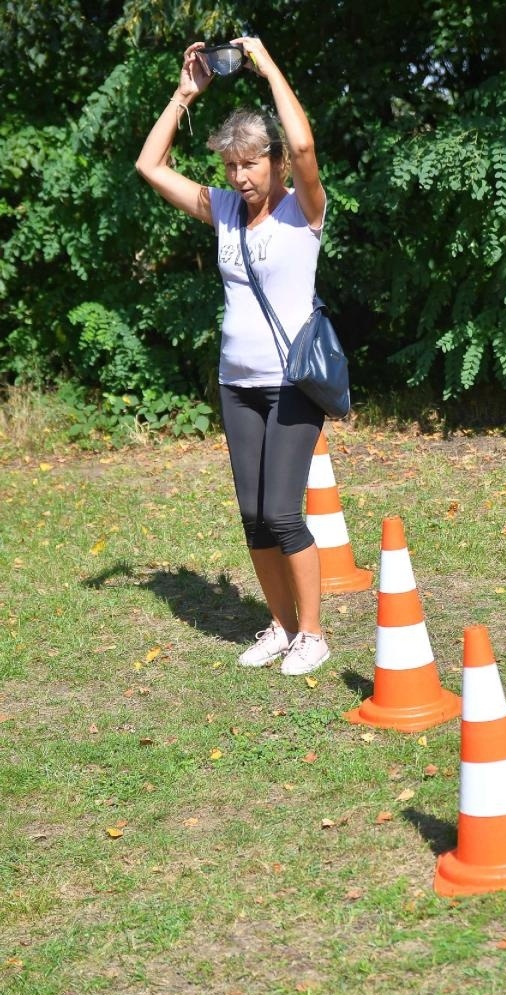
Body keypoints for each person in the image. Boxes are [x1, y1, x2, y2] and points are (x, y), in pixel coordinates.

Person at [135, 36, 330, 676]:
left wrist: (267, 64)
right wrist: (186, 92)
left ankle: (312, 634)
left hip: (292, 381)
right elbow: (150, 166)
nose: (242, 177)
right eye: (231, 166)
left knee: (282, 511)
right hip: (236, 383)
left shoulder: (304, 211)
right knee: (252, 516)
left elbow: (303, 145)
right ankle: (278, 626)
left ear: (271, 161)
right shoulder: (222, 210)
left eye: (251, 163)